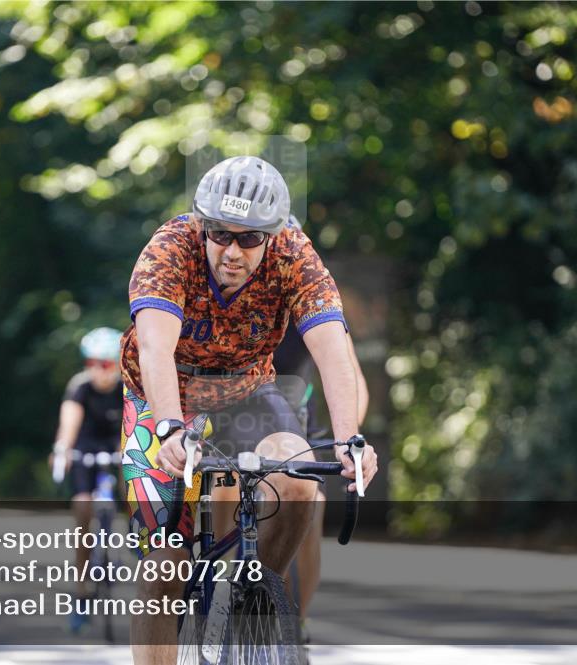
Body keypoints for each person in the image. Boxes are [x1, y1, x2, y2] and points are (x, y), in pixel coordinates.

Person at [120, 156, 379, 663]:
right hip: (166, 396)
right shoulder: (170, 250)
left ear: (273, 235)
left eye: (250, 239)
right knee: (165, 564)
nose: (232, 251)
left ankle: (257, 595)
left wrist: (351, 438)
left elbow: (333, 350)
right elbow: (155, 349)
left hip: (247, 391)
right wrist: (170, 428)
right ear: (201, 224)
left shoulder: (295, 255)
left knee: (301, 476)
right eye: (220, 234)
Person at [273, 217, 371, 634]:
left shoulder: (310, 294)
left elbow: (351, 378)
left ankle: (297, 622)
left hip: (294, 411)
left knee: (311, 511)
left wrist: (349, 439)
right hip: (231, 409)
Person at [48, 326, 124, 633]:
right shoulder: (80, 387)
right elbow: (68, 424)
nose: (97, 371)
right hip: (85, 449)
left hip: (117, 447)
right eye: (90, 363)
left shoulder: (128, 387)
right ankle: (81, 593)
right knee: (82, 509)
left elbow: (138, 426)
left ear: (117, 364)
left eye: (104, 364)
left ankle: (134, 533)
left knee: (134, 483)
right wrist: (61, 450)